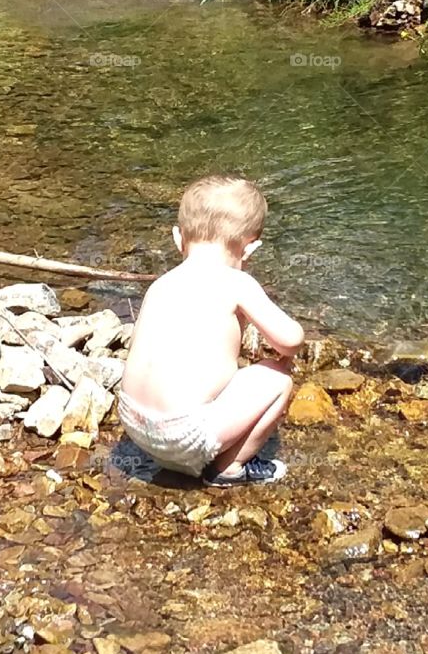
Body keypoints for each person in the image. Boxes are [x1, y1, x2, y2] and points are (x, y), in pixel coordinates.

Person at [119, 175, 304, 486]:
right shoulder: (237, 282)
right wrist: (284, 353)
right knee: (278, 379)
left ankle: (176, 460)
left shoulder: (161, 285)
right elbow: (291, 339)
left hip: (135, 424)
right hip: (181, 433)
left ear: (178, 238)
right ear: (250, 249)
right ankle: (230, 468)